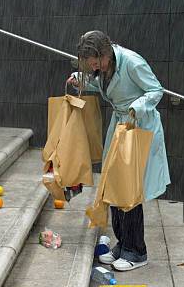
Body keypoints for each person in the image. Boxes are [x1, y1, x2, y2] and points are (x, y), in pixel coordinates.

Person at [67, 30, 171, 271]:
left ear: (105, 53)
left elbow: (156, 90)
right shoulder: (104, 66)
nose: (95, 68)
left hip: (138, 126)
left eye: (95, 63)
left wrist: (137, 107)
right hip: (120, 125)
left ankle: (137, 251)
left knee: (129, 191)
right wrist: (78, 78)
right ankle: (123, 244)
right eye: (89, 65)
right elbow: (98, 83)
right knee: (114, 187)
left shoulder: (132, 62)